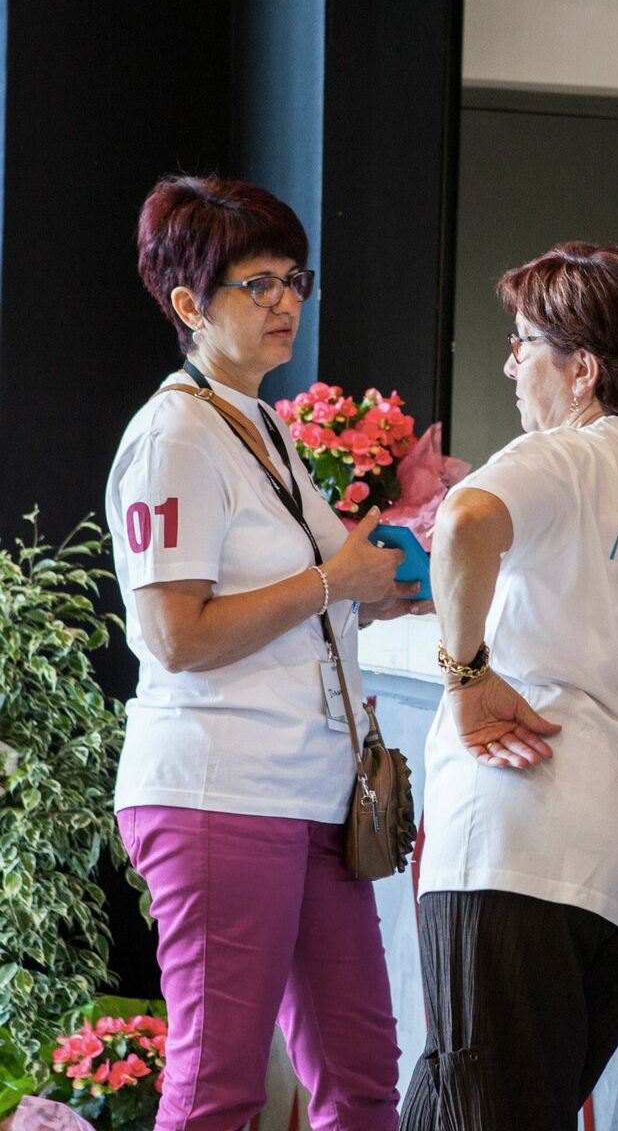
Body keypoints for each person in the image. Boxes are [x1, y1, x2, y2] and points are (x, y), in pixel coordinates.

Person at [106, 174, 431, 1131]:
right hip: (219, 791)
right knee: (219, 1089)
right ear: (188, 305)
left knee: (363, 1079)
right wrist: (335, 582)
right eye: (257, 284)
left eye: (294, 279)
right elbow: (175, 635)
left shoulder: (261, 423)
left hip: (314, 796)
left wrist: (381, 587)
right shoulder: (174, 434)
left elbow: (306, 600)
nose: (285, 301)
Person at [400, 242, 618, 1131]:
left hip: (517, 844)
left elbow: (464, 518)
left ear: (583, 371)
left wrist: (467, 677)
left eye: (525, 343)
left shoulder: (570, 457)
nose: (510, 365)